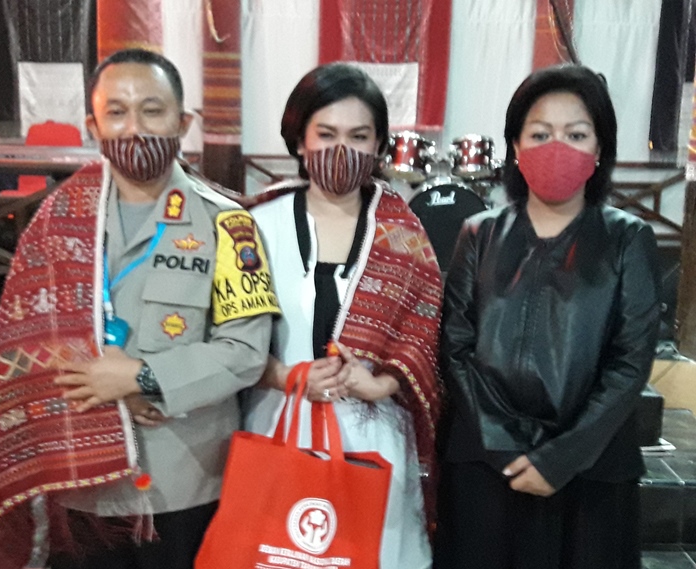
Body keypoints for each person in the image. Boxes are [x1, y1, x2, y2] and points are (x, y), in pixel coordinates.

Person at [0, 48, 279, 569]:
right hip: (81, 480)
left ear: (183, 122)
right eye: (117, 112)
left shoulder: (229, 224)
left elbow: (244, 351)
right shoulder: (56, 220)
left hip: (184, 480)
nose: (135, 128)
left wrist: (141, 379)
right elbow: (24, 340)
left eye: (153, 111)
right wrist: (104, 393)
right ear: (94, 126)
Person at [434, 64, 661, 569]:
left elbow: (630, 361)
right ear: (515, 145)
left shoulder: (627, 239)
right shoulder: (478, 234)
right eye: (540, 134)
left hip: (589, 470)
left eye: (576, 134)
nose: (557, 147)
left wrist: (559, 458)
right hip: (487, 466)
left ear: (599, 149)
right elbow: (456, 345)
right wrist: (504, 445)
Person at [243, 62, 441, 569]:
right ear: (299, 140)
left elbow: (425, 334)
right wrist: (286, 376)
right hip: (278, 427)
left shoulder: (404, 235)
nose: (341, 150)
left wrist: (383, 383)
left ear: (378, 146)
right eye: (326, 134)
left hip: (373, 439)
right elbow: (228, 340)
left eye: (358, 136)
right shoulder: (254, 226)